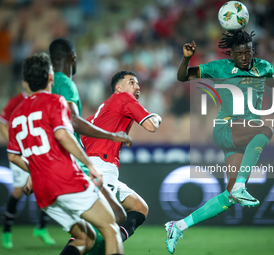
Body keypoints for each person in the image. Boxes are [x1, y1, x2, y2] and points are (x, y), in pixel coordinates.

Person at [165, 30, 274, 253]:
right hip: (226, 128)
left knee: (230, 197)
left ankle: (177, 226)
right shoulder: (219, 67)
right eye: (239, 53)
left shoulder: (263, 67)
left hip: (242, 138)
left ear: (253, 51)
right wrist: (186, 57)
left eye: (248, 52)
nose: (244, 57)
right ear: (231, 54)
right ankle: (241, 185)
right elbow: (183, 76)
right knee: (265, 130)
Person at [7, 53, 124, 255]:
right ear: (51, 77)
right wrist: (90, 164)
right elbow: (62, 135)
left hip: (43, 191)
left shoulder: (16, 114)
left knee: (84, 237)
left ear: (25, 82)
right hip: (66, 180)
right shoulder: (56, 101)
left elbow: (13, 156)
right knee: (111, 228)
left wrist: (35, 171)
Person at [47, 38, 132, 255]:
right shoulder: (65, 84)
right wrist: (112, 135)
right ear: (73, 58)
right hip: (72, 167)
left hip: (48, 170)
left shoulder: (45, 88)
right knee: (115, 219)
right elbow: (73, 121)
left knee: (87, 235)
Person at [81, 70, 162, 244]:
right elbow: (151, 126)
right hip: (103, 166)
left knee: (139, 208)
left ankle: (112, 244)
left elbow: (80, 140)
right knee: (97, 226)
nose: (137, 86)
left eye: (138, 83)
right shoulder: (124, 98)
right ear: (118, 88)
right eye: (131, 82)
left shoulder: (99, 115)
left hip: (94, 167)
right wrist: (157, 117)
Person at [1, 82, 55, 249]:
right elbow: (3, 122)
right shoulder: (16, 101)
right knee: (18, 191)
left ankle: (41, 227)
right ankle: (7, 231)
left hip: (37, 152)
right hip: (20, 154)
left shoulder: (43, 100)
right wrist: (12, 143)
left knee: (46, 189)